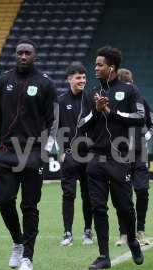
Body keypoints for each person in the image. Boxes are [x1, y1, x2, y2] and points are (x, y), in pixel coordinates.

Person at [0, 39, 57, 270]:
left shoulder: (45, 84)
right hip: (6, 153)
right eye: (20, 53)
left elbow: (53, 121)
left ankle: (27, 257)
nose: (23, 56)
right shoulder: (2, 82)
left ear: (35, 56)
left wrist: (46, 149)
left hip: (33, 153)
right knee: (3, 200)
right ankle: (17, 241)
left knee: (30, 206)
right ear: (15, 55)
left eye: (28, 53)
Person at [78, 46, 145, 270]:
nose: (95, 68)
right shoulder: (91, 93)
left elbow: (139, 118)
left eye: (99, 65)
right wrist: (97, 110)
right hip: (96, 158)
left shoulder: (129, 90)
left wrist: (111, 113)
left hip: (120, 158)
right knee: (98, 207)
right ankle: (103, 256)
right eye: (95, 64)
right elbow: (81, 125)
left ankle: (133, 240)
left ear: (112, 67)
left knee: (124, 207)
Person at [114, 68, 153, 247]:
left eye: (130, 84)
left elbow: (152, 124)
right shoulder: (114, 103)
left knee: (142, 190)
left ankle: (140, 231)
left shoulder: (141, 101)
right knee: (122, 194)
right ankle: (123, 233)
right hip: (120, 153)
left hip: (139, 154)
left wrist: (143, 139)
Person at [57, 62, 94, 246]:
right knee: (68, 195)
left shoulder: (91, 99)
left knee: (89, 195)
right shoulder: (61, 101)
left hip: (89, 156)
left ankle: (88, 231)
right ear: (69, 79)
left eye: (84, 78)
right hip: (70, 157)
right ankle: (67, 233)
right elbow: (56, 128)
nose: (82, 81)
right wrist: (61, 152)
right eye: (78, 78)